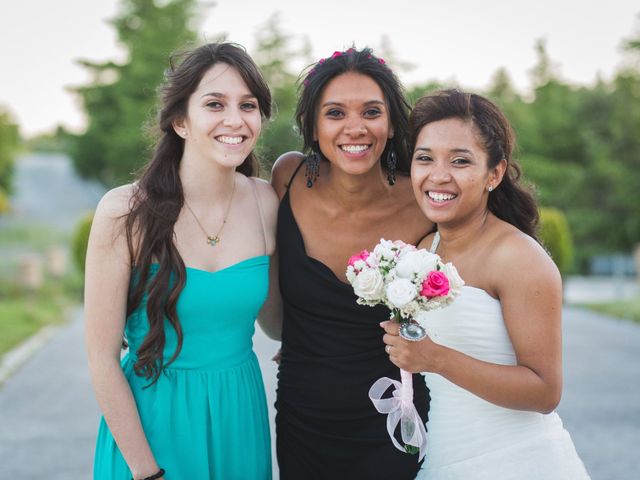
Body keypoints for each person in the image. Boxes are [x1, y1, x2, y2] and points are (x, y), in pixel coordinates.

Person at [85, 43, 280, 480]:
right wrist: (145, 471)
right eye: (215, 104)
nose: (236, 120)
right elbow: (100, 359)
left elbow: (278, 323)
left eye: (248, 106)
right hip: (150, 429)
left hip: (238, 418)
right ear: (180, 122)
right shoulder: (123, 212)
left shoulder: (267, 202)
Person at [381, 89, 590, 479]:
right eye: (425, 158)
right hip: (445, 456)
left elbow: (545, 391)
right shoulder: (428, 247)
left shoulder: (518, 257)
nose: (438, 175)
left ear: (494, 173)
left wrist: (434, 359)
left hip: (515, 461)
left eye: (460, 161)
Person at [271, 47, 432, 479]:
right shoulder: (287, 178)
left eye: (372, 111)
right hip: (303, 417)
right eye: (335, 113)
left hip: (392, 419)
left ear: (393, 121)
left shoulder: (423, 200)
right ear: (312, 124)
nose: (354, 128)